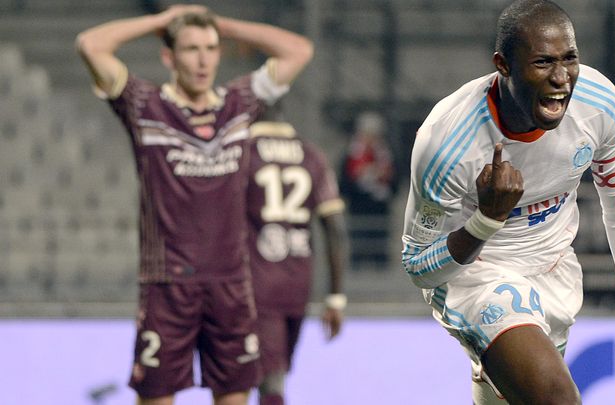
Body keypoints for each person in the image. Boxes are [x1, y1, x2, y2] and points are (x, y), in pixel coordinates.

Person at [400, 1, 615, 404]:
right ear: (503, 65)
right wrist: (486, 220)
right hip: (477, 277)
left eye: (570, 58)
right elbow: (419, 268)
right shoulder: (446, 143)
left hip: (555, 270)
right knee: (557, 398)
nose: (562, 78)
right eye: (543, 62)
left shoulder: (597, 103)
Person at [75, 5, 313, 404]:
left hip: (231, 284)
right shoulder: (144, 105)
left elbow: (299, 50)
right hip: (167, 285)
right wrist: (158, 22)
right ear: (168, 56)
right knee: (156, 396)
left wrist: (225, 24)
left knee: (235, 395)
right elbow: (90, 44)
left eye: (211, 48)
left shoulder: (240, 102)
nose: (203, 60)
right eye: (190, 49)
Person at [243, 105, 348, 405]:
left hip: (255, 283)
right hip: (298, 284)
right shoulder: (311, 155)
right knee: (275, 371)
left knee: (266, 378)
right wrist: (336, 297)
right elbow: (335, 228)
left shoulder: (243, 152)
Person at [339, 111, 398, 270]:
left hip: (379, 208)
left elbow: (395, 180)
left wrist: (382, 177)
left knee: (379, 246)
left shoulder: (386, 154)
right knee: (359, 243)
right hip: (359, 206)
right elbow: (344, 182)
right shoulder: (351, 155)